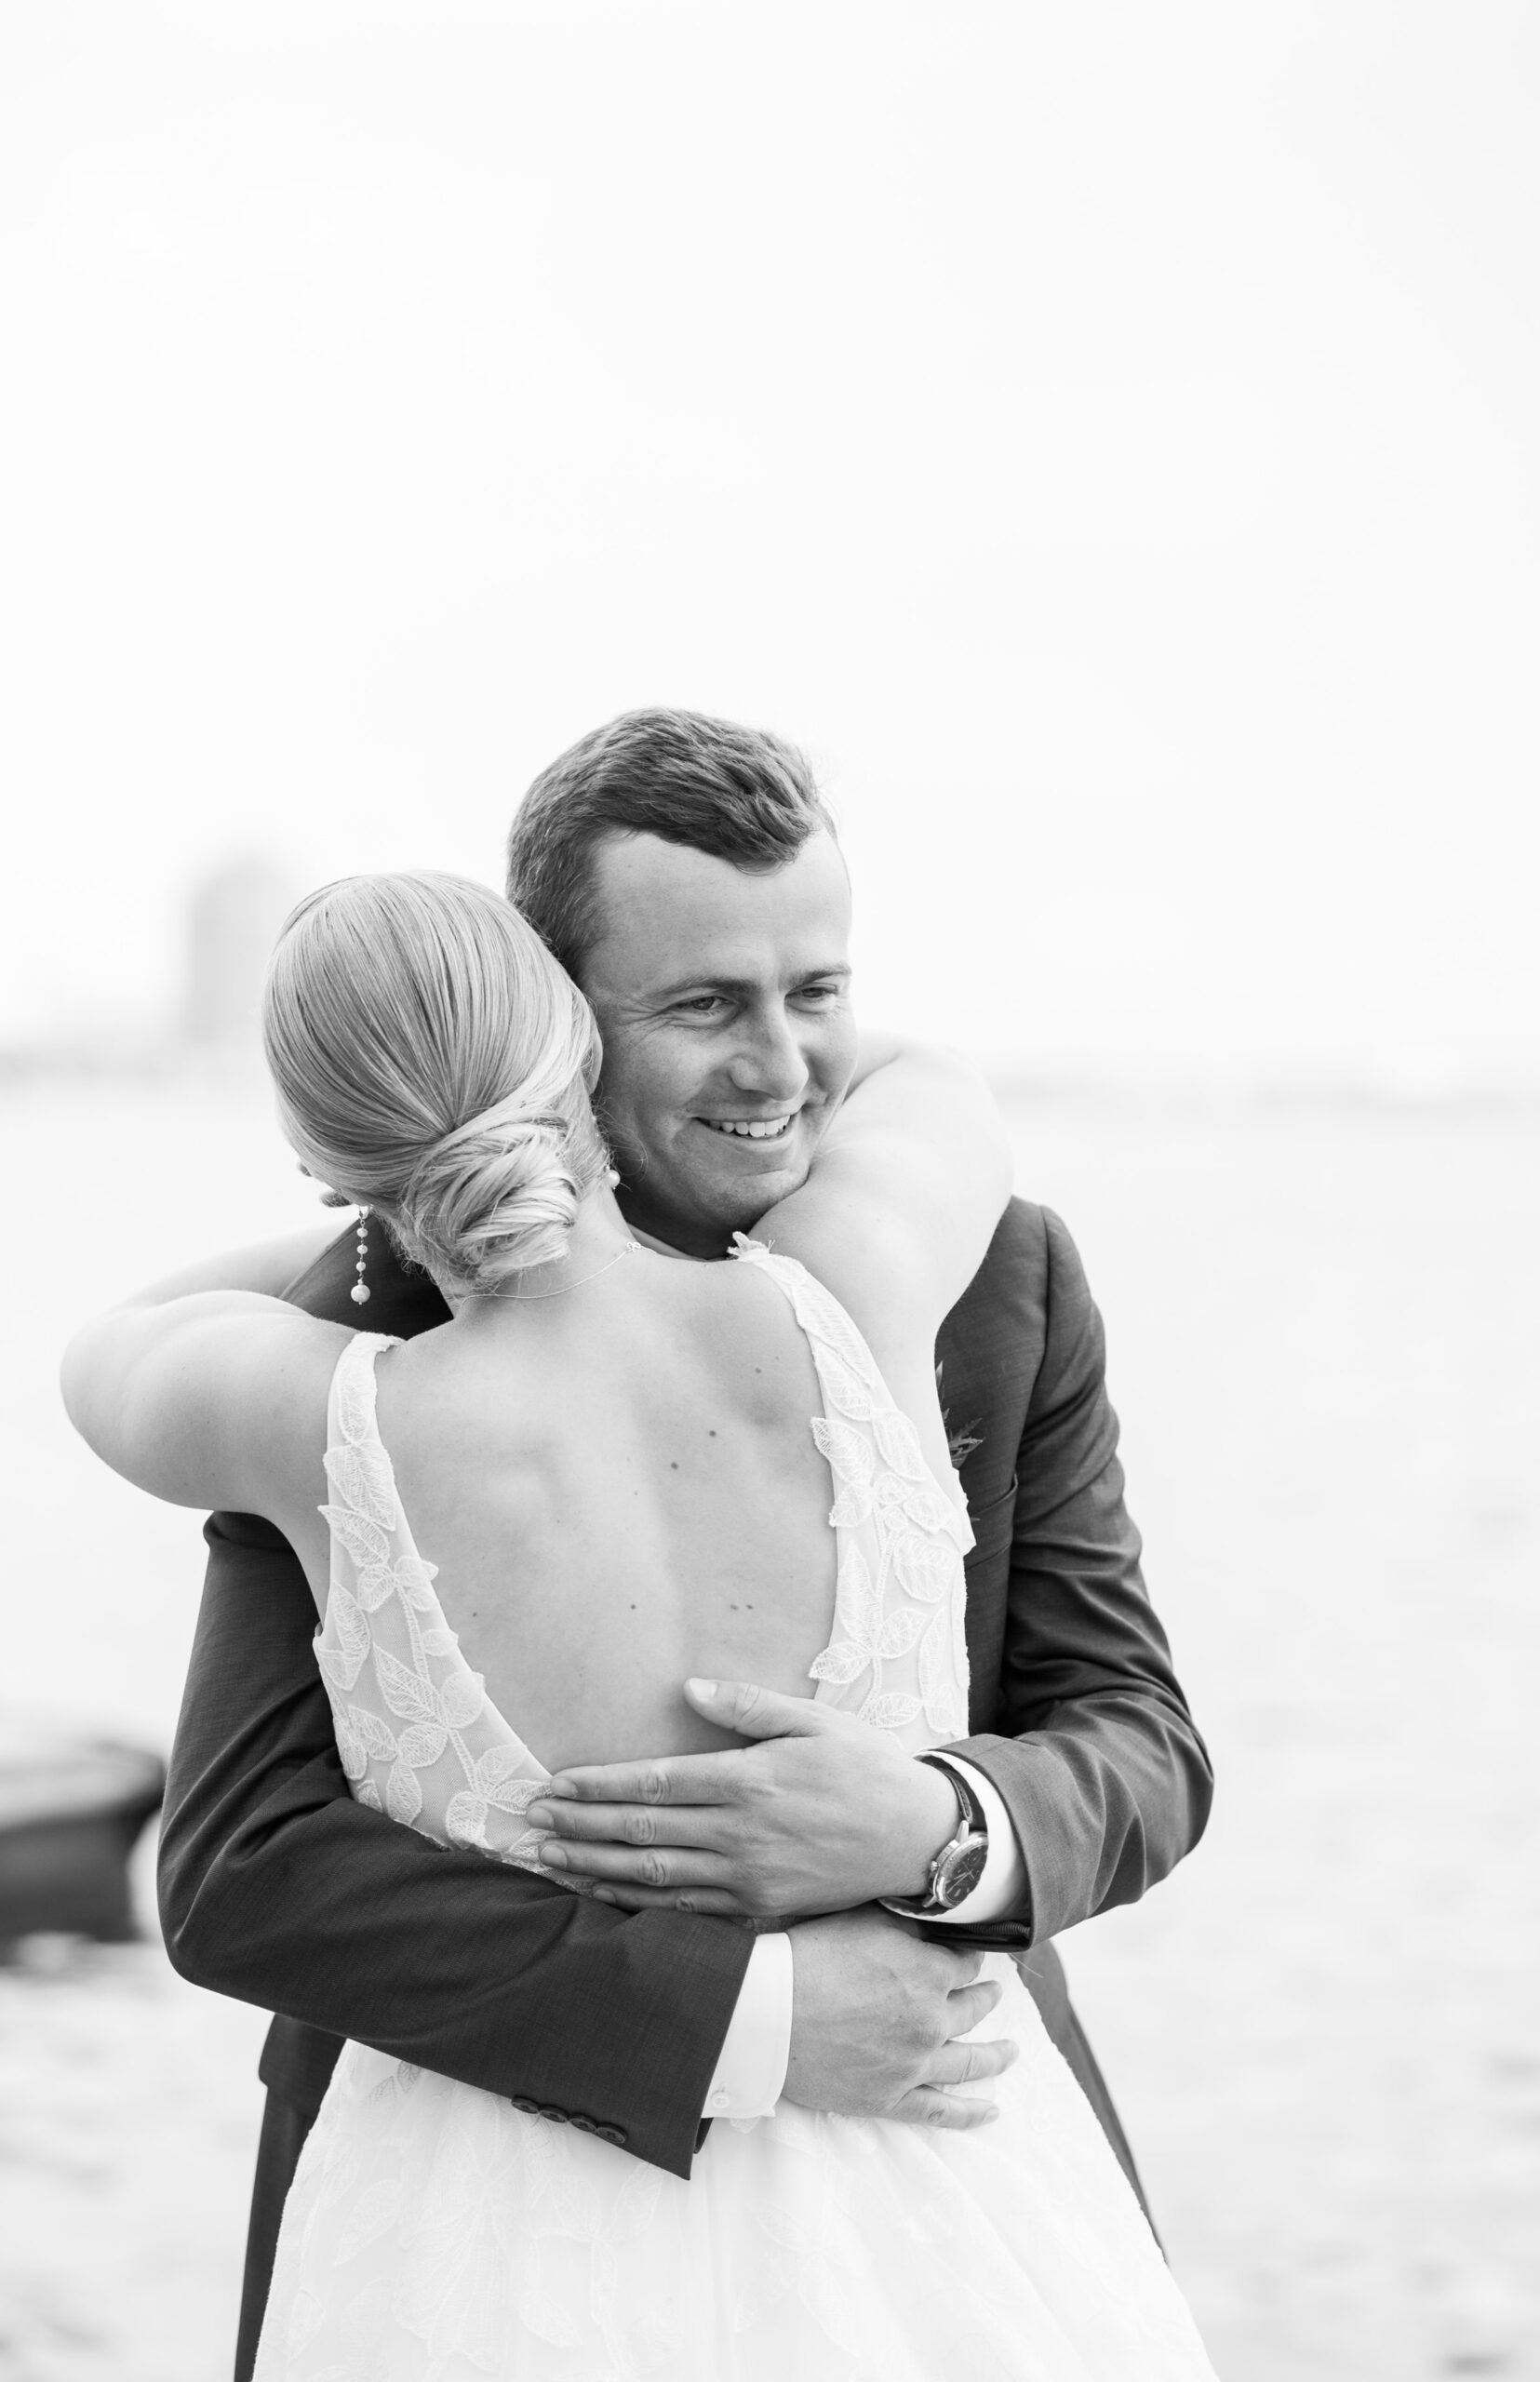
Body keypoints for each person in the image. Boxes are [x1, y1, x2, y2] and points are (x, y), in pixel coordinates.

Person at [154, 713, 1212, 2377]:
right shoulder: (364, 1336)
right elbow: (245, 1871)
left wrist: (938, 1826)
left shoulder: (1004, 1284)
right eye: (706, 1004)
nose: (783, 1068)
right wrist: (759, 2024)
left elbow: (1141, 1745)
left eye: (820, 991)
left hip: (953, 2202)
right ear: (562, 1025)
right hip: (469, 2246)